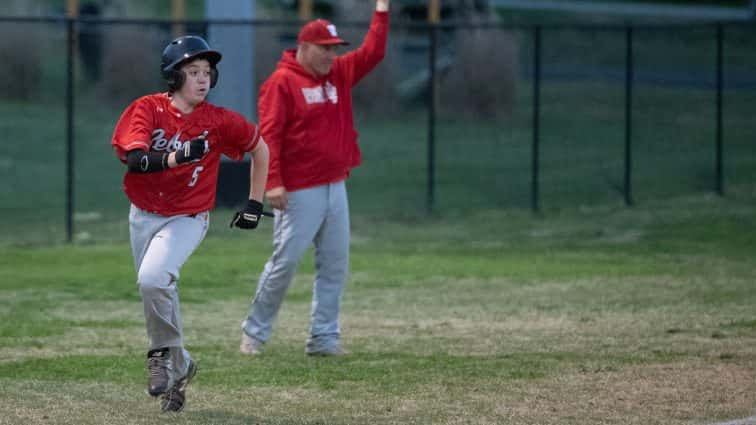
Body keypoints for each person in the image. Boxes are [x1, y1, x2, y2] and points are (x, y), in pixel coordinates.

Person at [111, 35, 269, 412]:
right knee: (158, 289)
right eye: (192, 72)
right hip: (144, 214)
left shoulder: (217, 120)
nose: (202, 79)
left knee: (153, 279)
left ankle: (160, 356)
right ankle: (180, 368)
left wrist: (254, 203)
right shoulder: (147, 109)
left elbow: (260, 148)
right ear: (172, 76)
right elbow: (135, 161)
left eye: (207, 73)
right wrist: (176, 156)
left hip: (188, 217)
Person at [239, 0, 390, 357]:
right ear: (304, 47)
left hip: (335, 185)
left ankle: (323, 338)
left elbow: (373, 52)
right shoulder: (282, 82)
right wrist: (272, 181)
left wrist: (381, 10)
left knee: (335, 265)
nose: (330, 56)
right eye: (324, 49)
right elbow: (269, 135)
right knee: (284, 263)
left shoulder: (338, 73)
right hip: (298, 190)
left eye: (334, 49)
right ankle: (254, 333)